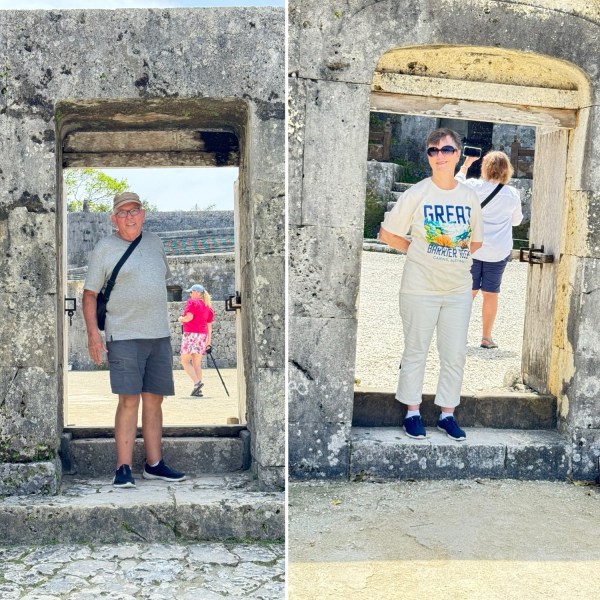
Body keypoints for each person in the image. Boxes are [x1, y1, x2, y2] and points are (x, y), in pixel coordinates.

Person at [379, 128, 483, 442]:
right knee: (416, 349)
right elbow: (387, 234)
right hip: (419, 287)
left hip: (457, 290)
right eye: (433, 150)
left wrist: (450, 255)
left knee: (455, 353)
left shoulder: (469, 197)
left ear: (458, 155)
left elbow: (476, 241)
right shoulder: (417, 193)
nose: (440, 156)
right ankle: (412, 411)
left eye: (447, 150)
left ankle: (447, 413)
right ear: (428, 156)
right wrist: (419, 251)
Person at [82, 191, 185, 488]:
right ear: (114, 219)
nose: (129, 217)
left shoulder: (154, 242)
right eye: (123, 212)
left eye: (134, 210)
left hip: (158, 335)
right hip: (124, 334)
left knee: (155, 400)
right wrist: (93, 335)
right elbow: (89, 295)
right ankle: (123, 467)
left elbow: (155, 281)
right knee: (129, 400)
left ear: (143, 214)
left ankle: (154, 464)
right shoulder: (105, 248)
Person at [457, 151, 523, 349]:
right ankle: (486, 337)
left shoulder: (473, 186)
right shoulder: (512, 194)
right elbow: (517, 221)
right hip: (498, 251)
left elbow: (455, 185)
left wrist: (465, 165)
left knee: (468, 292)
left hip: (473, 248)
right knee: (491, 293)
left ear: (485, 167)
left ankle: (459, 335)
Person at [178, 284, 214, 397]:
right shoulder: (208, 308)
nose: (190, 294)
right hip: (202, 336)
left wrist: (181, 319)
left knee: (184, 361)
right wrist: (208, 342)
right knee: (196, 364)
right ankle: (197, 390)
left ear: (197, 293)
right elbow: (209, 327)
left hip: (191, 334)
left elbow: (189, 317)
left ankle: (197, 383)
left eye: (191, 292)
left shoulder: (192, 302)